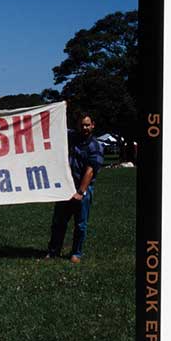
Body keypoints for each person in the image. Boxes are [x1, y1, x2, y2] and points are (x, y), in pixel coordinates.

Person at [47, 112, 104, 264]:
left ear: (92, 125)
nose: (84, 127)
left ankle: (76, 253)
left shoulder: (95, 145)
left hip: (82, 189)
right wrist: (59, 109)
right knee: (58, 222)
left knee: (80, 224)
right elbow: (55, 129)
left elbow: (90, 170)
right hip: (65, 188)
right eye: (81, 124)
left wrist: (81, 191)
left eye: (87, 124)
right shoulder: (72, 137)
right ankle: (53, 251)